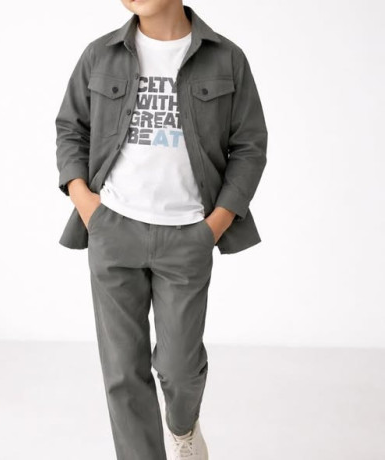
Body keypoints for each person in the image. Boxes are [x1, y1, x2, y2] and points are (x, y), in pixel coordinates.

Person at [55, 1, 268, 459]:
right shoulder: (99, 54)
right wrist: (87, 204)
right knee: (123, 372)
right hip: (113, 229)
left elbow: (250, 146)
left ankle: (182, 426)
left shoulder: (226, 58)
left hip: (187, 235)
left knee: (178, 368)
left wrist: (215, 225)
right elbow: (71, 128)